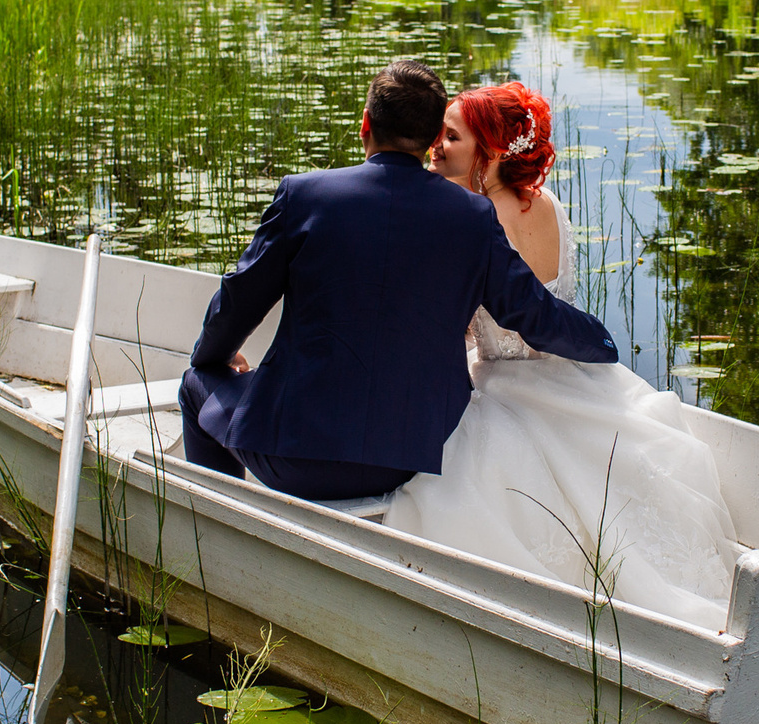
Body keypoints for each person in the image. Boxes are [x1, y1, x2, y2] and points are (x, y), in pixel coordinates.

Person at [378, 81, 743, 633]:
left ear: (492, 152)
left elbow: (453, 325)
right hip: (574, 378)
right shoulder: (547, 204)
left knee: (452, 477)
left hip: (500, 385)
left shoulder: (473, 219)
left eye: (451, 137)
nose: (436, 145)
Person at [180, 60, 620, 506]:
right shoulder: (473, 217)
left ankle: (217, 523)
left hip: (291, 458)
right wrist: (602, 343)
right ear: (431, 138)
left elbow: (240, 299)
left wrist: (212, 357)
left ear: (366, 124)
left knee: (196, 380)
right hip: (407, 458)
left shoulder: (304, 196)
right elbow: (534, 315)